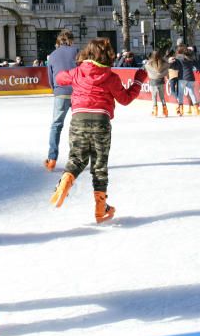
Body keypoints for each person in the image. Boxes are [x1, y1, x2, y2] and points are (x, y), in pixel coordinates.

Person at [49, 38, 146, 223]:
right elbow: (125, 99)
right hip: (101, 121)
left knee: (77, 159)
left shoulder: (77, 72)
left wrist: (70, 71)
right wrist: (138, 82)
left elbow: (60, 78)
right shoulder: (111, 77)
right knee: (99, 165)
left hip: (78, 119)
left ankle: (65, 181)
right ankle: (100, 209)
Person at [45, 30, 79, 171]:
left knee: (56, 125)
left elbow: (50, 77)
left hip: (60, 92)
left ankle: (52, 159)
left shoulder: (52, 55)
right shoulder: (77, 51)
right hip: (77, 92)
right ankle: (76, 159)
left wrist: (56, 90)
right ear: (71, 40)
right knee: (77, 126)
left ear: (59, 41)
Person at [171, 44, 200, 116]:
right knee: (192, 93)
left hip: (182, 78)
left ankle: (181, 110)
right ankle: (196, 109)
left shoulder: (179, 59)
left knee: (180, 94)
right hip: (191, 77)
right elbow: (198, 66)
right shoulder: (191, 58)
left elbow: (172, 65)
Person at [144, 49, 169, 118]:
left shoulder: (149, 63)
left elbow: (145, 66)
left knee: (154, 96)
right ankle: (165, 110)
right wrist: (163, 58)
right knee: (162, 97)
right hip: (161, 81)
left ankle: (155, 111)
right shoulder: (164, 63)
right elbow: (168, 65)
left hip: (153, 81)